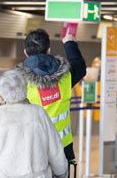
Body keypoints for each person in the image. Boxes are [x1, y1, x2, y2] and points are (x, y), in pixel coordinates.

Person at [17, 28, 86, 163]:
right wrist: (69, 43)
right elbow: (80, 66)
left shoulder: (20, 80)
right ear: (49, 50)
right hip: (62, 147)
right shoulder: (66, 76)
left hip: (32, 146)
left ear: (25, 52)